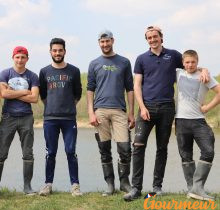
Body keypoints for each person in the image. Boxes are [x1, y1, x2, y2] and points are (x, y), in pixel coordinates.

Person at [124, 26, 209, 201]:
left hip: (167, 108)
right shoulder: (141, 59)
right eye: (149, 37)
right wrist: (142, 107)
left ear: (161, 38)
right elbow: (137, 85)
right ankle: (136, 188)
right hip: (146, 108)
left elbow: (190, 66)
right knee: (138, 147)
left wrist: (204, 69)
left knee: (162, 149)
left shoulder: (174, 55)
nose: (152, 39)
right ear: (146, 40)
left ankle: (157, 187)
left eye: (155, 36)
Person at [87, 30, 135, 196]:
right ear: (99, 43)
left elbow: (130, 88)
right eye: (102, 42)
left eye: (107, 41)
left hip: (119, 111)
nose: (105, 44)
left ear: (113, 41)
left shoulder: (124, 62)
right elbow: (90, 90)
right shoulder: (94, 63)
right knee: (104, 149)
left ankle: (124, 183)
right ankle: (110, 185)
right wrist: (91, 112)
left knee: (125, 148)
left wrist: (131, 112)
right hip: (100, 111)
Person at [0, 46, 39, 197]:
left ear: (27, 58)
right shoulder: (5, 73)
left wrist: (13, 93)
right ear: (13, 58)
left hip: (26, 117)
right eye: (17, 57)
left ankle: (27, 186)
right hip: (8, 118)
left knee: (28, 153)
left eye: (23, 57)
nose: (20, 60)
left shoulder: (33, 76)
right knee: (1, 153)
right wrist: (25, 91)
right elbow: (3, 93)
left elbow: (35, 98)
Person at [38, 38, 83, 197]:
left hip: (69, 119)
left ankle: (75, 185)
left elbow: (78, 93)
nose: (57, 53)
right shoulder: (44, 72)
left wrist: (68, 107)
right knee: (51, 152)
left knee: (71, 151)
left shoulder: (74, 71)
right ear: (50, 52)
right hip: (50, 118)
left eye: (60, 50)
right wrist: (52, 107)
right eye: (54, 50)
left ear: (65, 51)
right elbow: (42, 95)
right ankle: (48, 185)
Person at [175, 50, 220, 201]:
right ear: (183, 63)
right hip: (181, 121)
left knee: (208, 150)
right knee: (185, 155)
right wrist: (203, 68)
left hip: (199, 121)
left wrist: (207, 108)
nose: (190, 65)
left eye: (193, 62)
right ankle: (191, 190)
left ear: (197, 61)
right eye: (187, 62)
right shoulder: (178, 73)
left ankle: (197, 187)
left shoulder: (204, 77)